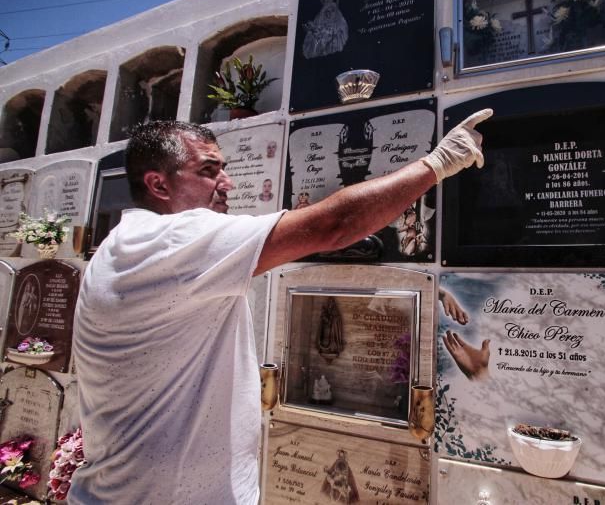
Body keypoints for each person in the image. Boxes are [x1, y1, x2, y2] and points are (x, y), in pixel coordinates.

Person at [71, 109, 492, 504]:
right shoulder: (170, 240)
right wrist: (437, 163)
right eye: (208, 170)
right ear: (158, 185)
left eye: (224, 168)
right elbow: (334, 225)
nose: (228, 183)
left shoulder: (127, 243)